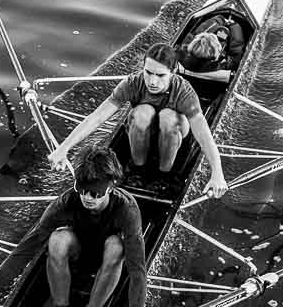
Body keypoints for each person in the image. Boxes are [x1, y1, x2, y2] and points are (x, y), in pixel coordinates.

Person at [0, 147, 151, 307]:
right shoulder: (65, 202)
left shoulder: (127, 209)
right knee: (56, 239)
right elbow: (25, 249)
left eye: (96, 193)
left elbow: (137, 267)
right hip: (78, 254)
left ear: (111, 188)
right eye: (83, 190)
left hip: (110, 261)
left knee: (116, 245)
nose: (88, 198)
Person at [50, 42, 229, 196]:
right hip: (143, 129)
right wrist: (63, 148)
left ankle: (165, 174)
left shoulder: (184, 91)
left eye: (160, 75)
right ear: (142, 67)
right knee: (142, 112)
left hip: (175, 133)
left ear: (173, 72)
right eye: (148, 72)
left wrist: (218, 174)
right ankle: (138, 169)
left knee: (167, 117)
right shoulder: (132, 83)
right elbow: (96, 118)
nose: (152, 81)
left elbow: (204, 136)